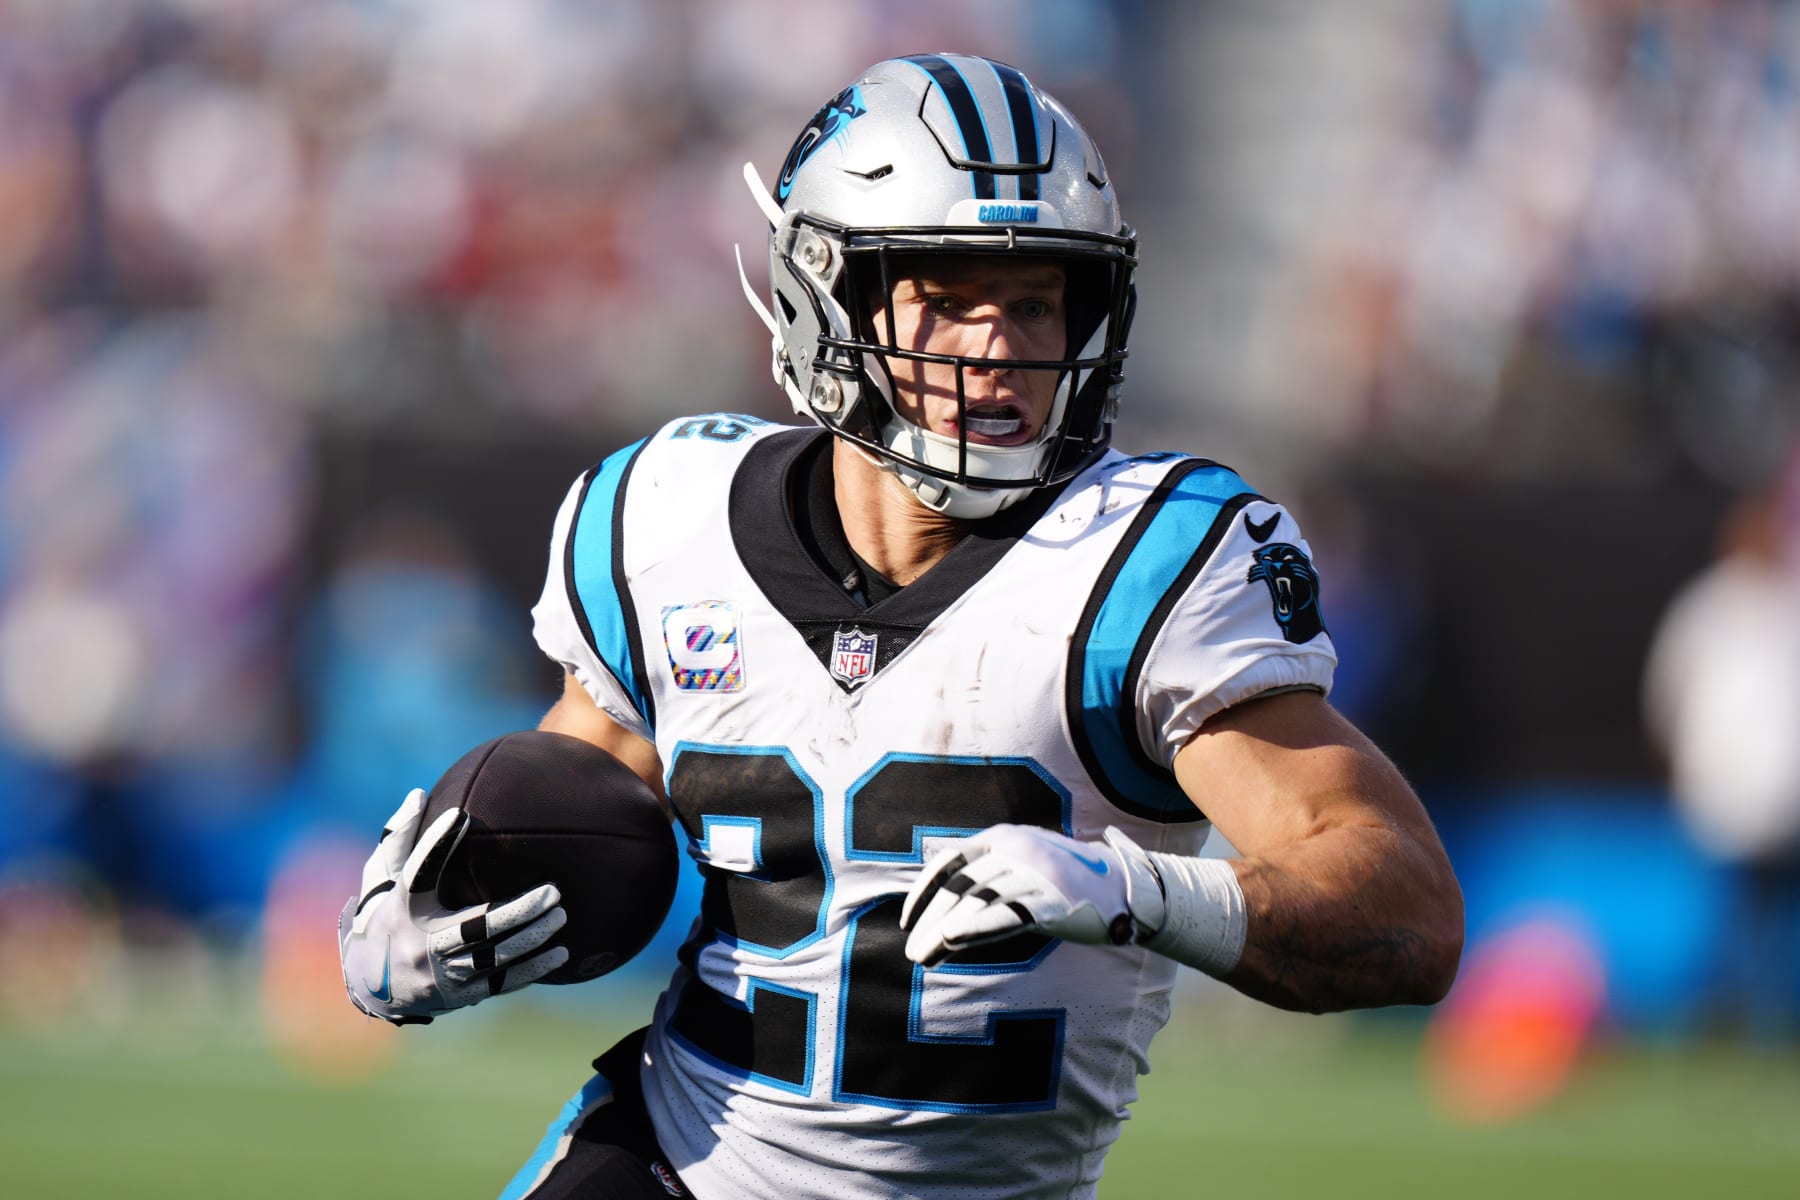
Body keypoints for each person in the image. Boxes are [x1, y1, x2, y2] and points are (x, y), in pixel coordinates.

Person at [338, 53, 1464, 1200]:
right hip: (670, 1162)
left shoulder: (1142, 561)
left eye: (1034, 302)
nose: (999, 347)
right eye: (948, 299)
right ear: (824, 298)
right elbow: (565, 803)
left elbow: (1406, 912)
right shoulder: (668, 517)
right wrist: (417, 917)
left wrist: (1140, 896)